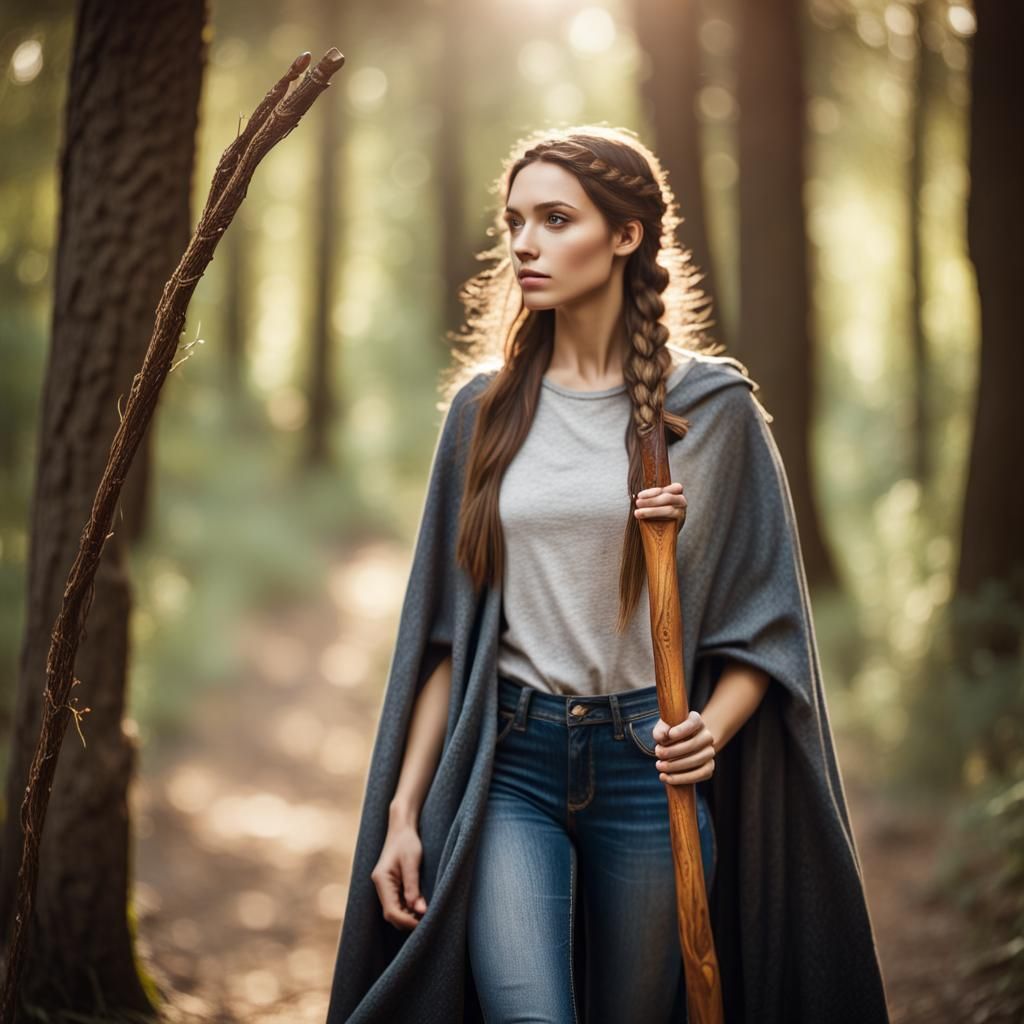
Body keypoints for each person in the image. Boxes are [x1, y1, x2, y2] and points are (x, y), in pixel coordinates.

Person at [325, 126, 890, 1024]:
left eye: (555, 219)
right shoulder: (484, 411)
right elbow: (446, 639)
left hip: (649, 770)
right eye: (514, 222)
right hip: (510, 763)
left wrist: (710, 728)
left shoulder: (710, 413)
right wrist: (404, 812)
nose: (524, 245)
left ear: (626, 236)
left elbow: (768, 623)